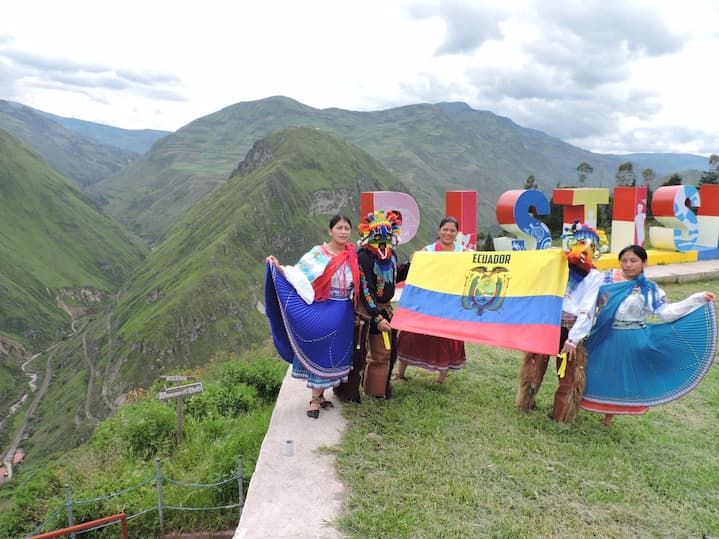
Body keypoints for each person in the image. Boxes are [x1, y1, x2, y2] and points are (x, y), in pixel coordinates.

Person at [582, 244, 717, 426]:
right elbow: (590, 304)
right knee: (590, 371)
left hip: (632, 339)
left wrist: (697, 298)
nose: (628, 265)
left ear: (643, 262)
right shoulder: (606, 279)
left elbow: (667, 313)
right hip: (604, 335)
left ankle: (608, 417)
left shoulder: (650, 289)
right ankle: (575, 404)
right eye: (624, 260)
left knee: (620, 378)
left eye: (633, 260)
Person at [265, 215, 360, 419]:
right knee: (320, 350)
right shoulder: (319, 253)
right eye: (339, 228)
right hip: (325, 307)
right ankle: (315, 399)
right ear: (330, 231)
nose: (343, 232)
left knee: (334, 354)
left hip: (344, 311)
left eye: (347, 228)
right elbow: (300, 274)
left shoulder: (353, 255)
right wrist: (279, 269)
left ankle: (322, 396)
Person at [515, 220, 606, 422]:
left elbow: (587, 308)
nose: (584, 248)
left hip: (569, 328)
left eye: (590, 245)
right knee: (533, 366)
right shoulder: (557, 264)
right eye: (580, 242)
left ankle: (561, 415)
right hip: (547, 323)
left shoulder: (593, 276)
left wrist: (573, 339)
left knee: (568, 374)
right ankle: (525, 403)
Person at [335, 209, 408, 400]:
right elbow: (365, 289)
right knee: (358, 355)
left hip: (383, 309)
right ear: (369, 236)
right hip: (364, 313)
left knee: (384, 354)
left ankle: (377, 390)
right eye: (378, 236)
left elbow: (393, 278)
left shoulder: (391, 256)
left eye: (386, 236)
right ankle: (348, 393)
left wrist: (410, 266)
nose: (382, 242)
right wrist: (377, 316)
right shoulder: (363, 257)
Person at [393, 216, 471, 383]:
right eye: (445, 229)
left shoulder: (464, 253)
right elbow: (414, 269)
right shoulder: (427, 251)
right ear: (439, 231)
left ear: (457, 233)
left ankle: (441, 377)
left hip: (450, 303)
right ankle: (400, 372)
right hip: (426, 302)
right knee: (411, 334)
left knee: (446, 338)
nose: (448, 233)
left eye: (452, 230)